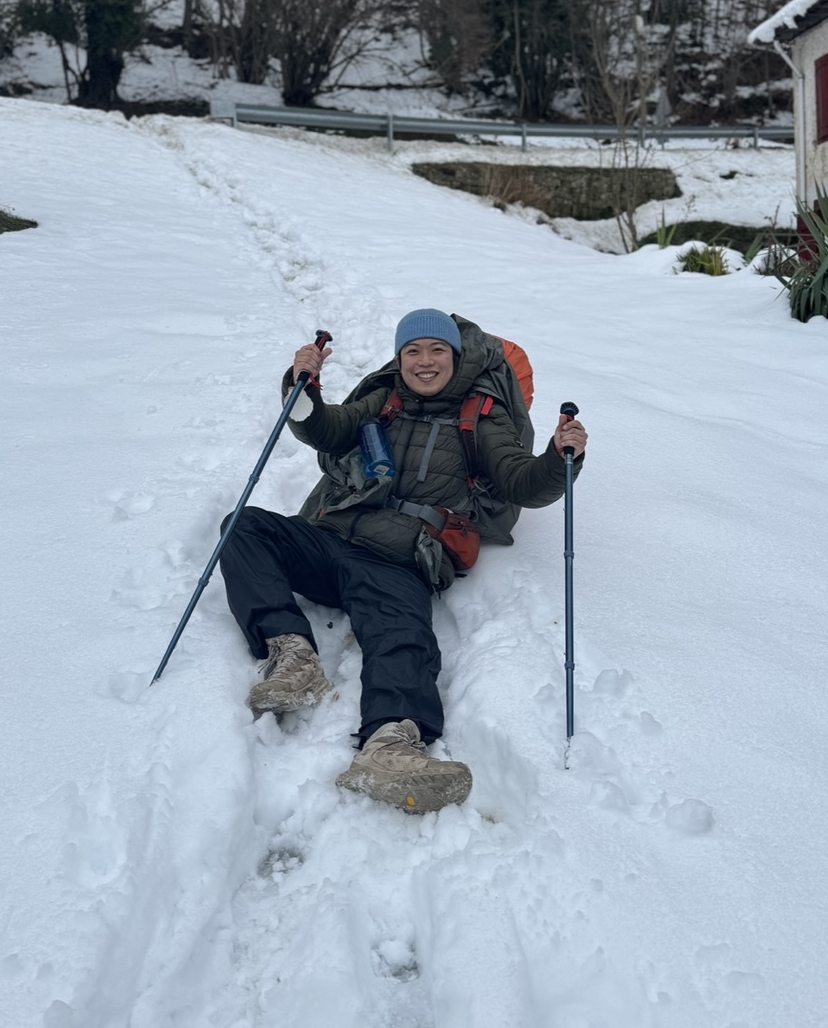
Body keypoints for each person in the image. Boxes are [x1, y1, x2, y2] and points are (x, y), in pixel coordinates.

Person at [219, 310, 587, 814]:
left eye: (437, 350)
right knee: (243, 525)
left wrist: (559, 458)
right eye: (413, 351)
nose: (424, 361)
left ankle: (390, 746)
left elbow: (522, 481)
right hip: (329, 538)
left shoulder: (482, 415)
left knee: (402, 639)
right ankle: (292, 656)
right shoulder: (385, 397)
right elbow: (326, 429)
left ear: (456, 358)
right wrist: (301, 387)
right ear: (400, 357)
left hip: (398, 558)